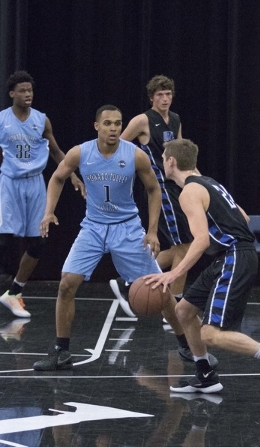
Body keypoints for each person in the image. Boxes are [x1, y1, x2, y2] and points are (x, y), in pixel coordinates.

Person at [31, 105, 217, 371]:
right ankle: (61, 351)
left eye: (118, 123)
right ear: (97, 126)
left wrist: (152, 230)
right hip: (93, 227)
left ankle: (188, 347)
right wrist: (48, 212)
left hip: (127, 228)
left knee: (162, 293)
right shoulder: (81, 152)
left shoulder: (135, 155)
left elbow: (154, 189)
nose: (114, 128)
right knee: (66, 285)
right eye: (107, 123)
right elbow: (58, 178)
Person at [144, 139, 260, 399]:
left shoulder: (188, 192)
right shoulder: (210, 183)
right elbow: (244, 217)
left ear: (171, 161)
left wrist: (173, 272)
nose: (162, 162)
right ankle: (205, 376)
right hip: (230, 255)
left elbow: (201, 240)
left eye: (163, 158)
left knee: (211, 334)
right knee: (183, 310)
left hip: (233, 256)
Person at [0, 70, 85, 318]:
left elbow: (57, 153)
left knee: (38, 241)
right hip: (10, 182)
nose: (28, 94)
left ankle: (14, 293)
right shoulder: (3, 120)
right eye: (23, 91)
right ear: (12, 93)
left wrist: (72, 176)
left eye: (31, 90)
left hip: (35, 183)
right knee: (3, 240)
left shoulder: (41, 120)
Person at [110, 75, 193, 308]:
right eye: (160, 95)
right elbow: (118, 146)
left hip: (176, 186)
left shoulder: (175, 119)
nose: (165, 98)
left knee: (181, 247)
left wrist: (196, 179)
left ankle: (129, 280)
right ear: (151, 98)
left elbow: (182, 155)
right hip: (159, 188)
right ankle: (176, 303)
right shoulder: (142, 120)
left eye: (168, 94)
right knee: (185, 247)